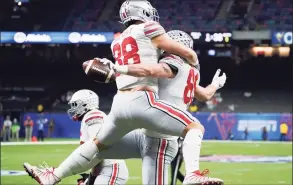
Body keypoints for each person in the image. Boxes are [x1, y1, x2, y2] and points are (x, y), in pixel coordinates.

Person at [23, 1, 225, 184]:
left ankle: (53, 175)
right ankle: (192, 174)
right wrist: (198, 64)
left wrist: (117, 70)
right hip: (152, 118)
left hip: (121, 104)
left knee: (96, 146)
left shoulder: (117, 41)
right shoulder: (178, 60)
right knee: (194, 127)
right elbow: (196, 89)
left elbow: (146, 66)